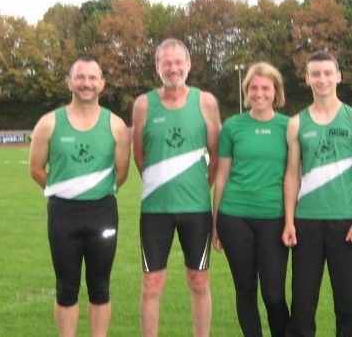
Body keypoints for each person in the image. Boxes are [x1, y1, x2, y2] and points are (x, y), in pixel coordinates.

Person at [29, 57, 131, 337]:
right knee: (66, 287)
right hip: (63, 215)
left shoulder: (117, 126)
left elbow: (121, 174)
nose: (86, 83)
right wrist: (68, 192)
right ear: (69, 82)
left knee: (100, 287)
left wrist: (93, 193)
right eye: (80, 77)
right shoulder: (49, 124)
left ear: (102, 84)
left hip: (103, 213)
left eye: (92, 78)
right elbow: (36, 170)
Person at [131, 38, 221, 337]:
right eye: (166, 63)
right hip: (155, 210)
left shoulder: (205, 102)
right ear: (157, 67)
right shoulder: (143, 104)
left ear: (189, 64)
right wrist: (163, 183)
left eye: (178, 62)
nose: (173, 68)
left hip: (196, 209)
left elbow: (217, 155)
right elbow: (140, 156)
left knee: (198, 280)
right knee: (151, 283)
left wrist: (197, 186)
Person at [281, 50, 352, 336]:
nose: (322, 79)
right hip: (307, 222)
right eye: (316, 74)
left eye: (327, 73)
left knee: (350, 305)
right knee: (303, 304)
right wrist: (289, 221)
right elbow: (292, 173)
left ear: (338, 76)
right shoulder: (297, 123)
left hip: (345, 222)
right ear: (307, 79)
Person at [211, 62, 290, 337]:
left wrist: (292, 220)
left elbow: (295, 176)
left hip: (274, 217)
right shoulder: (233, 126)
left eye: (265, 87)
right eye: (254, 87)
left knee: (274, 294)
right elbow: (222, 176)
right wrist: (215, 224)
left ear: (275, 91)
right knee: (245, 290)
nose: (259, 93)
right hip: (234, 217)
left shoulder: (289, 127)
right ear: (247, 90)